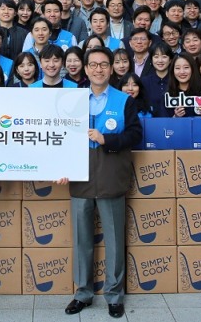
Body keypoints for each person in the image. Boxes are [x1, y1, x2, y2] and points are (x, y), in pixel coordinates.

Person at [56, 46, 142, 320]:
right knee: (82, 238)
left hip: (110, 175)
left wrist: (108, 140)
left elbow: (135, 134)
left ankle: (114, 296)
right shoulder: (72, 99)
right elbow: (59, 137)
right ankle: (82, 293)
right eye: (92, 65)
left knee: (115, 239)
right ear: (85, 68)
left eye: (103, 64)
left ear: (111, 67)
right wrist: (61, 166)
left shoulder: (124, 100)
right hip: (80, 176)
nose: (98, 69)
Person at [165, 52, 201, 117]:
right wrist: (175, 117)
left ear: (192, 69)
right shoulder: (167, 96)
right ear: (172, 71)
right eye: (177, 68)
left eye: (186, 67)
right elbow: (163, 124)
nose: (182, 72)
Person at [140, 42, 174, 117]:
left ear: (170, 60)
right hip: (150, 125)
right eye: (156, 57)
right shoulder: (144, 82)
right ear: (151, 59)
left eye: (164, 56)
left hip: (174, 124)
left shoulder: (176, 80)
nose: (160, 60)